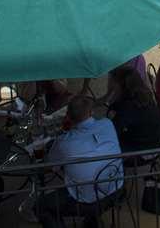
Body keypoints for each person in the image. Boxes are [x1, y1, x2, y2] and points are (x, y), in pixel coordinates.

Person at [35, 96, 124, 225]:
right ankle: (91, 220)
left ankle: (91, 217)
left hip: (87, 201)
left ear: (68, 117)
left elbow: (49, 167)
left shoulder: (63, 142)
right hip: (116, 189)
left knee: (40, 206)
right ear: (91, 112)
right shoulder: (107, 124)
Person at [107, 66, 160, 153]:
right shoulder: (143, 94)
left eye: (114, 83)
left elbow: (112, 131)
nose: (111, 86)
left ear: (122, 87)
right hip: (155, 143)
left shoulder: (128, 106)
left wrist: (112, 100)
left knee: (104, 147)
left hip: (142, 151)